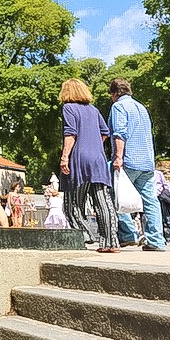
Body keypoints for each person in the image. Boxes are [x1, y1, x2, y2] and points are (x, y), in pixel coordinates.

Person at [58, 78, 119, 252]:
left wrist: (64, 157)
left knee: (72, 203)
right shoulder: (93, 110)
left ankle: (86, 234)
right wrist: (94, 144)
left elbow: (70, 134)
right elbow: (105, 132)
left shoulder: (68, 108)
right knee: (103, 201)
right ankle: (110, 242)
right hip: (98, 158)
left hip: (78, 159)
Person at [107, 78, 165, 251]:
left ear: (115, 94)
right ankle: (156, 240)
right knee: (151, 201)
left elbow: (120, 133)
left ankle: (128, 234)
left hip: (129, 159)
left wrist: (118, 156)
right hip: (147, 161)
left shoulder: (118, 106)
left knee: (115, 195)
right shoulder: (141, 107)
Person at [153, 169, 170, 245]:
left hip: (161, 198)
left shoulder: (158, 173)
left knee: (168, 220)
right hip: (153, 199)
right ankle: (162, 239)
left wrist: (167, 196)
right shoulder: (146, 174)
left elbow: (165, 185)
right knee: (158, 220)